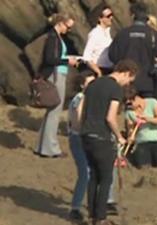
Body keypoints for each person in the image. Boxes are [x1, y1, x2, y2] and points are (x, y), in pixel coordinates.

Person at [79, 59, 137, 225]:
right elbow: (110, 118)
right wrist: (119, 136)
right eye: (129, 80)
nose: (128, 84)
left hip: (86, 135)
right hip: (102, 137)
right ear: (126, 73)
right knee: (105, 179)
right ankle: (101, 218)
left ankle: (92, 215)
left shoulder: (93, 84)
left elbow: (83, 111)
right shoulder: (115, 89)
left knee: (93, 177)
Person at [35, 13, 78, 158]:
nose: (69, 30)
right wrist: (68, 61)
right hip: (56, 75)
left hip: (57, 73)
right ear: (60, 23)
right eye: (68, 26)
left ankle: (42, 146)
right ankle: (51, 149)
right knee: (55, 111)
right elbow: (51, 59)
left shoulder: (55, 37)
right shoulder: (53, 38)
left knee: (52, 110)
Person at [108, 2, 157, 97]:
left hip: (126, 80)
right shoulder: (152, 34)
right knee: (145, 109)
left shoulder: (123, 34)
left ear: (132, 15)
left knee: (125, 108)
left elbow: (112, 56)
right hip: (147, 82)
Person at [68, 69, 96, 221]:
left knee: (90, 173)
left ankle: (86, 205)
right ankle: (75, 208)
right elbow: (77, 119)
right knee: (85, 173)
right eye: (89, 82)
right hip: (78, 138)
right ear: (82, 85)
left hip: (83, 137)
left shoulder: (86, 97)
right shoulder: (81, 97)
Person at [125, 89, 157, 168]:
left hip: (156, 140)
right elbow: (130, 130)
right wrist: (130, 135)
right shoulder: (129, 112)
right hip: (141, 142)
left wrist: (147, 119)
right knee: (143, 165)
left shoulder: (152, 102)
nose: (129, 106)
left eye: (130, 103)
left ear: (136, 98)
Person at [82, 3, 114, 76]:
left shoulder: (108, 33)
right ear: (100, 18)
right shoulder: (95, 34)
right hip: (100, 70)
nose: (111, 18)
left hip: (110, 70)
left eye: (112, 14)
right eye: (108, 16)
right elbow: (86, 56)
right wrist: (98, 71)